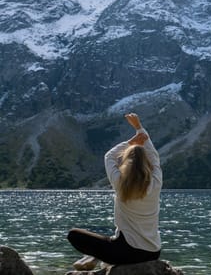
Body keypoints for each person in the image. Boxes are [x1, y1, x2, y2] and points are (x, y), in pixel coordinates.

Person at [67, 113, 162, 272]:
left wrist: (131, 143)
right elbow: (155, 158)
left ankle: (94, 257)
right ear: (147, 165)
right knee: (114, 238)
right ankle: (95, 258)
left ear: (126, 163)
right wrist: (139, 128)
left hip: (126, 253)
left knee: (73, 234)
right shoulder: (156, 183)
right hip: (154, 253)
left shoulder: (120, 183)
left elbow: (109, 156)